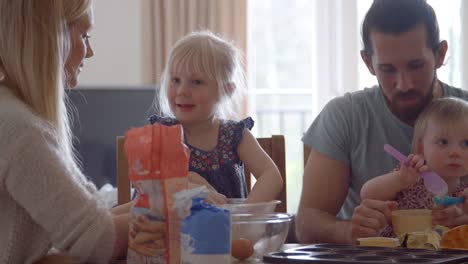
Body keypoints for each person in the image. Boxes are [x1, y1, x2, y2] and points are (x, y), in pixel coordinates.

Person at [296, 0, 468, 244]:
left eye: (416, 65)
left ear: (440, 54)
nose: (404, 83)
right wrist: (351, 232)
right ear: (368, 63)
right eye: (388, 69)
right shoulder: (346, 116)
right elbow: (307, 224)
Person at [0, 0, 130, 262]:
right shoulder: (19, 128)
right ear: (50, 37)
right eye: (84, 35)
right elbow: (99, 240)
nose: (90, 51)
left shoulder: (13, 111)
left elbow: (91, 212)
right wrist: (175, 211)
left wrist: (170, 198)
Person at [149, 31, 283, 204]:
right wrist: (190, 185)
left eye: (196, 82)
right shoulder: (162, 133)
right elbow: (150, 186)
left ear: (226, 90)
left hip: (226, 228)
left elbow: (271, 175)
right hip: (172, 229)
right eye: (175, 80)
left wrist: (245, 213)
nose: (182, 90)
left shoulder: (233, 135)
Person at [361, 97, 468, 237]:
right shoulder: (411, 175)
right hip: (399, 253)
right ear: (421, 148)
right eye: (443, 142)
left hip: (442, 257)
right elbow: (367, 193)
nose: (456, 152)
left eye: (466, 144)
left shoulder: (464, 193)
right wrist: (400, 179)